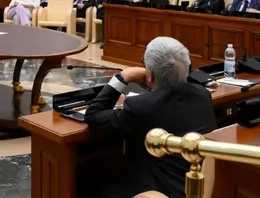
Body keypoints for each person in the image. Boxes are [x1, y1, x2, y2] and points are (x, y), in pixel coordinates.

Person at [84, 37, 217, 198]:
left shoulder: (140, 107)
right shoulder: (202, 95)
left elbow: (93, 114)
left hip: (155, 193)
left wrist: (122, 77)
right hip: (195, 188)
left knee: (91, 187)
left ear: (150, 75)